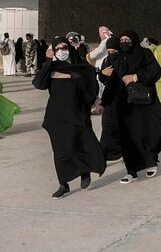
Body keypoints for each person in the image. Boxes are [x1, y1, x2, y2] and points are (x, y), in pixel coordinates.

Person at [32, 37, 106, 199]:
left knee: (80, 144)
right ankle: (63, 184)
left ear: (69, 48)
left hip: (77, 115)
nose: (60, 51)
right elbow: (38, 84)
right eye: (56, 49)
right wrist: (48, 60)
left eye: (63, 47)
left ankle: (85, 171)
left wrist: (93, 103)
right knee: (60, 152)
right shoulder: (51, 67)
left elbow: (91, 87)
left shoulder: (80, 67)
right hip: (56, 117)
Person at [98, 30, 161, 183]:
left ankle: (150, 161)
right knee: (126, 136)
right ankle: (131, 172)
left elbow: (155, 71)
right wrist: (104, 100)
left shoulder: (145, 54)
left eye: (127, 39)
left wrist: (136, 77)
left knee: (146, 132)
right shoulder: (118, 58)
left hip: (144, 103)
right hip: (125, 105)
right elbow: (112, 82)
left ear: (134, 40)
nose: (124, 42)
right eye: (122, 40)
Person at [89, 25, 113, 98]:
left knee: (101, 83)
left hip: (102, 66)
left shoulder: (105, 41)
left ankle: (102, 99)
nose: (99, 36)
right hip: (104, 65)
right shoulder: (109, 40)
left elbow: (100, 50)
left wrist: (89, 55)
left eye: (100, 34)